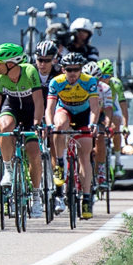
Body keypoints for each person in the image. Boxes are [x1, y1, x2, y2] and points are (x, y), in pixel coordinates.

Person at [0, 44, 46, 219]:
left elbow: (38, 101)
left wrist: (36, 124)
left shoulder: (29, 71)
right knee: (4, 127)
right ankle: (8, 170)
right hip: (11, 107)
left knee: (34, 153)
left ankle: (36, 198)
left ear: (11, 64)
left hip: (30, 113)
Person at [46, 52, 101, 219]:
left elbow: (94, 108)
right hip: (65, 112)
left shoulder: (89, 81)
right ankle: (60, 162)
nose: (72, 73)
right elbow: (50, 108)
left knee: (84, 155)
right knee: (59, 125)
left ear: (81, 69)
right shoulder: (56, 82)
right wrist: (49, 125)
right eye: (69, 70)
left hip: (84, 115)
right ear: (63, 69)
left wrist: (93, 124)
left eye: (76, 70)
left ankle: (86, 198)